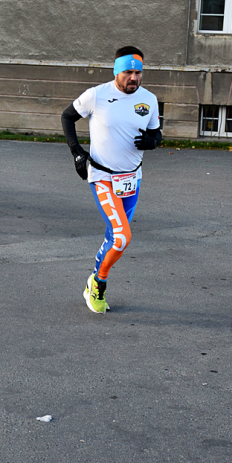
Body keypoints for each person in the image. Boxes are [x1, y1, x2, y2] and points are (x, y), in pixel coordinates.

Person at [61, 46, 161, 314]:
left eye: (138, 72)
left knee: (112, 236)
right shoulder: (97, 95)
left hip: (132, 179)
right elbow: (67, 117)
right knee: (122, 238)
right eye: (128, 72)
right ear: (117, 71)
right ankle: (98, 284)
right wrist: (77, 153)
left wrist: (152, 143)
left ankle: (93, 278)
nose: (134, 78)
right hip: (103, 176)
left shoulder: (149, 99)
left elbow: (157, 134)